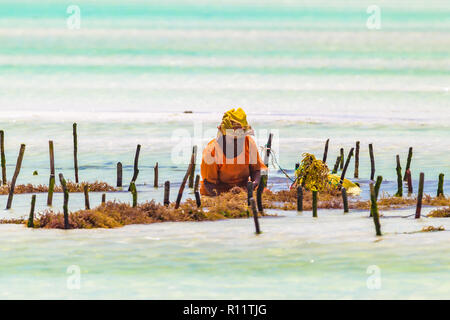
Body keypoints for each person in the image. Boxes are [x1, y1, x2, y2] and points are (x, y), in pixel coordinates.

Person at [200, 108, 267, 196]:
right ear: (224, 135)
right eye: (232, 138)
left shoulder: (248, 142)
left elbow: (258, 170)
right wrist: (227, 197)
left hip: (244, 190)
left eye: (240, 137)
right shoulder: (211, 152)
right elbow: (209, 184)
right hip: (217, 193)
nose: (237, 142)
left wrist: (252, 185)